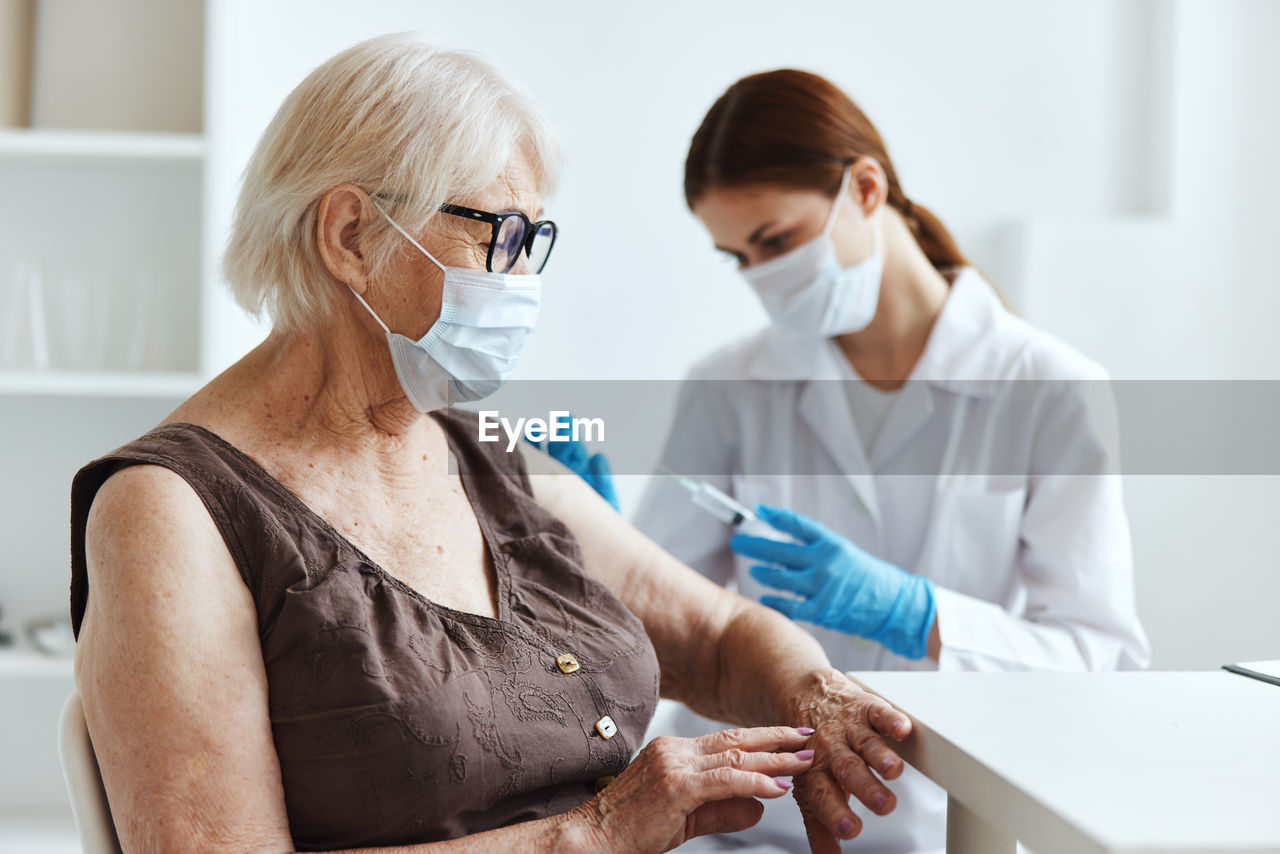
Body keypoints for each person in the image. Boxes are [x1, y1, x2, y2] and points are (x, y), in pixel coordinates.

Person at [67, 38, 917, 854]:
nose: (522, 285)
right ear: (351, 236)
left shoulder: (486, 452)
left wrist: (818, 695)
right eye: (498, 238)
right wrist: (594, 834)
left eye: (534, 243)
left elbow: (718, 634)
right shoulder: (170, 510)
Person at [621, 70, 1150, 853]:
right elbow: (653, 617)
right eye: (738, 257)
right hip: (738, 825)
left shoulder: (1049, 389)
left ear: (865, 188)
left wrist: (923, 616)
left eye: (776, 241)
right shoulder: (728, 386)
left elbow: (1100, 663)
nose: (763, 277)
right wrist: (586, 549)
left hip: (938, 824)